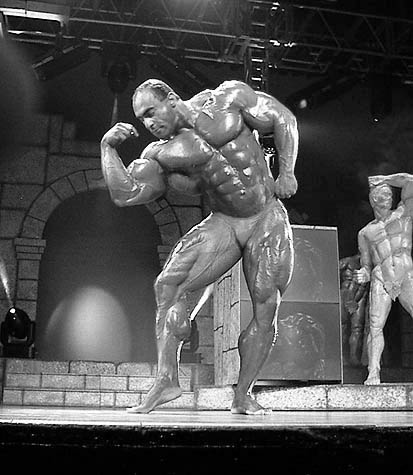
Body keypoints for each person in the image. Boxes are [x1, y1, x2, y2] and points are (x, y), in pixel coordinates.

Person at [100, 78, 299, 414]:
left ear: (171, 98)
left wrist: (288, 172)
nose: (149, 123)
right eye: (142, 119)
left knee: (266, 307)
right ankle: (167, 380)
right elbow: (127, 194)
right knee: (168, 285)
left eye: (151, 112)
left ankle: (243, 394)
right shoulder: (160, 153)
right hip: (225, 221)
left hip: (266, 215)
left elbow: (283, 119)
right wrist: (108, 148)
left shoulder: (227, 98)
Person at [353, 173, 413, 385]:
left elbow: (410, 181)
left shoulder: (404, 214)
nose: (389, 197)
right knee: (375, 325)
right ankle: (373, 371)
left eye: (390, 194)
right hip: (381, 276)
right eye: (384, 194)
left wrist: (385, 178)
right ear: (374, 199)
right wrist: (364, 273)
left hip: (405, 272)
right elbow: (366, 264)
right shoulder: (365, 232)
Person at [339, 254, 368, 367]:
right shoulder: (347, 261)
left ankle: (354, 357)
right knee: (343, 326)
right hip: (346, 293)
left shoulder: (370, 263)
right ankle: (342, 356)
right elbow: (332, 273)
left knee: (357, 328)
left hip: (361, 295)